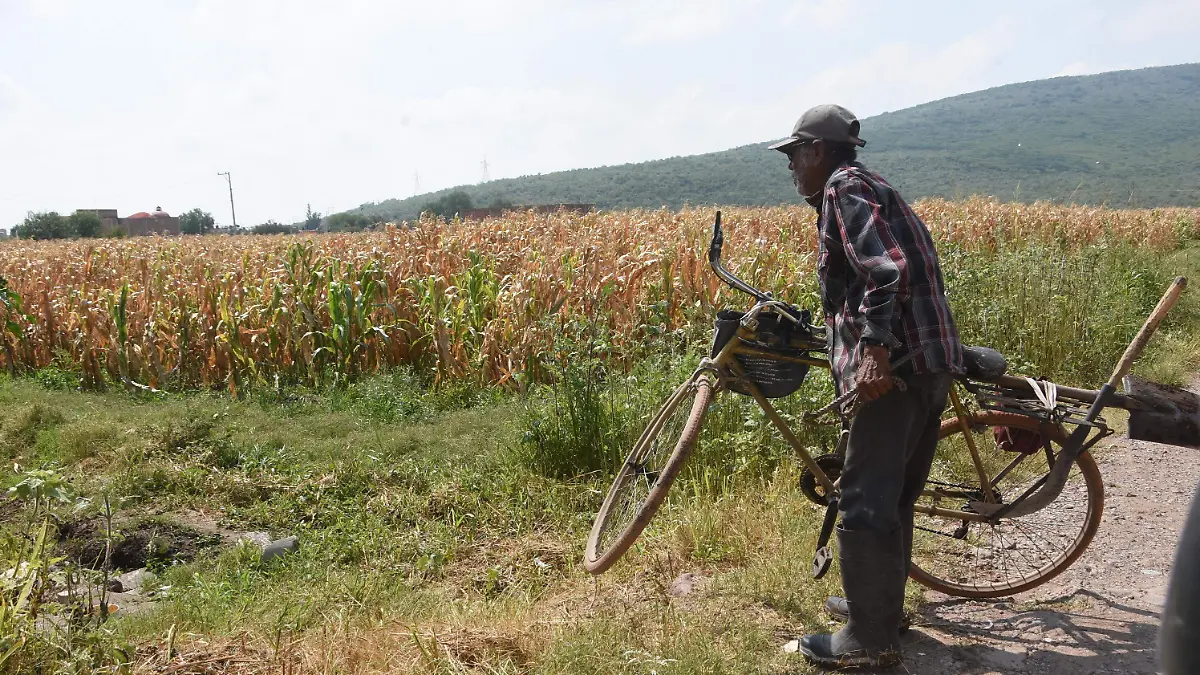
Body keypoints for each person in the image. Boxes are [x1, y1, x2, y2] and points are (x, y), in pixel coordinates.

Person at [768, 104, 964, 669]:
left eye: (794, 156)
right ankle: (879, 611)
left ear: (818, 151)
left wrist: (873, 351)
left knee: (862, 498)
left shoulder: (842, 188)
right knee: (895, 496)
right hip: (928, 363)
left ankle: (869, 642)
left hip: (896, 370)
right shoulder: (872, 184)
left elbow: (886, 270)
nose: (792, 169)